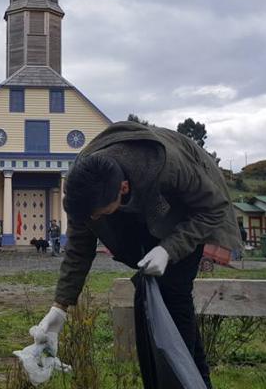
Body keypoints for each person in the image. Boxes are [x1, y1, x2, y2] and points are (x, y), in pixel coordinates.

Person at [30, 121, 240, 389]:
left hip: (191, 210)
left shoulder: (168, 167)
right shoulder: (83, 187)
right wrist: (59, 306)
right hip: (144, 213)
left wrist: (168, 249)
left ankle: (183, 381)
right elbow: (79, 249)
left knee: (173, 296)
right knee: (148, 297)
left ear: (123, 189)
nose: (95, 219)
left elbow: (213, 209)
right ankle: (190, 381)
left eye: (101, 213)